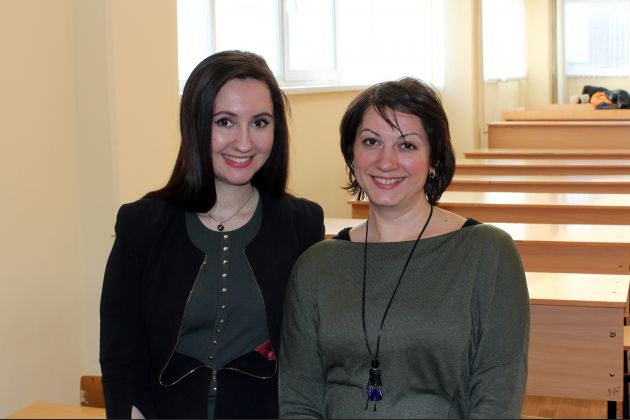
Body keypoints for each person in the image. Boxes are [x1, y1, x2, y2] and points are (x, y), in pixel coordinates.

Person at [279, 77, 529, 418]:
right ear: (352, 155)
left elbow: (497, 395)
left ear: (434, 160)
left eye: (407, 145)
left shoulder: (488, 252)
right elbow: (299, 400)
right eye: (371, 142)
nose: (386, 162)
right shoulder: (315, 266)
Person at [100, 50, 325, 419]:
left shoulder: (302, 224)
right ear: (194, 124)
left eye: (260, 123)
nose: (244, 142)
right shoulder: (142, 224)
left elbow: (310, 358)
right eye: (225, 122)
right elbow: (121, 358)